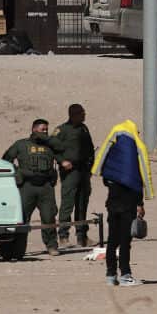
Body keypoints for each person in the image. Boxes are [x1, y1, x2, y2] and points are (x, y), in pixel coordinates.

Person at [92, 119, 154, 287]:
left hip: (112, 201)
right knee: (125, 240)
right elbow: (137, 181)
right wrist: (140, 203)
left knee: (112, 239)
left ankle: (111, 275)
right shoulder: (134, 158)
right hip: (128, 203)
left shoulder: (112, 158)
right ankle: (126, 274)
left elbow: (106, 179)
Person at [2, 118, 66, 257]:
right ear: (34, 129)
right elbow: (6, 159)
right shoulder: (21, 144)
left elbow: (61, 152)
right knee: (22, 218)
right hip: (27, 186)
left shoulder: (50, 145)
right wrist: (17, 172)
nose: (45, 132)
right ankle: (18, 249)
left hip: (45, 187)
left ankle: (51, 246)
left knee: (49, 217)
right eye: (42, 129)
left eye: (46, 130)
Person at [54, 104, 95, 248]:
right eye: (81, 114)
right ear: (73, 115)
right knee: (68, 203)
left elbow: (90, 148)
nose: (84, 116)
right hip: (70, 172)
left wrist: (91, 167)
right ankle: (63, 236)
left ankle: (82, 236)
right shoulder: (62, 130)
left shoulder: (84, 128)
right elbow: (52, 149)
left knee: (82, 203)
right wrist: (62, 161)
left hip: (83, 170)